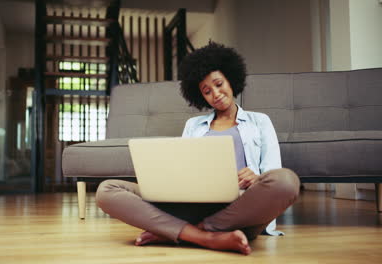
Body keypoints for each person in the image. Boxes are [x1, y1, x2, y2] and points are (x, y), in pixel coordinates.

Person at [95, 42, 300, 255]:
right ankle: (206, 237)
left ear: (231, 79)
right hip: (194, 204)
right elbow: (183, 169)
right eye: (207, 91)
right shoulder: (193, 125)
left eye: (219, 84)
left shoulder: (260, 121)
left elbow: (272, 170)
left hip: (241, 207)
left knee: (286, 181)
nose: (216, 94)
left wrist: (256, 178)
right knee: (107, 190)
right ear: (200, 96)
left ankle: (181, 232)